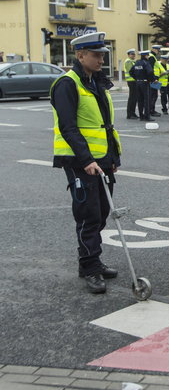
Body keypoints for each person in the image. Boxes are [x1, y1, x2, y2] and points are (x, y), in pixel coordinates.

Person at [49, 32, 122, 294]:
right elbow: (68, 127)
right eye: (96, 54)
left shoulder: (96, 82)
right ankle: (90, 267)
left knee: (102, 213)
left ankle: (93, 260)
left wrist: (112, 159)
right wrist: (87, 160)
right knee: (88, 215)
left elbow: (105, 125)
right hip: (82, 162)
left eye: (103, 54)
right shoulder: (67, 84)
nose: (102, 58)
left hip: (102, 160)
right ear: (80, 56)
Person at [131, 50, 155, 120]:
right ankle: (147, 116)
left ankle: (141, 116)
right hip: (145, 83)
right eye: (148, 55)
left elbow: (131, 72)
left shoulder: (137, 62)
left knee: (140, 100)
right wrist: (151, 79)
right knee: (146, 100)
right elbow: (150, 72)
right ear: (145, 56)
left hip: (138, 83)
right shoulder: (146, 63)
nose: (148, 57)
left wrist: (136, 78)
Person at [148, 45, 163, 117]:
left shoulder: (152, 56)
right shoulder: (152, 57)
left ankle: (151, 110)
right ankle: (151, 110)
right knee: (153, 95)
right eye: (157, 50)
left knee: (153, 95)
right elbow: (150, 69)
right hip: (153, 79)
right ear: (153, 49)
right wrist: (154, 79)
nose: (158, 52)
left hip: (154, 78)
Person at [124, 49, 139, 119]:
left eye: (134, 54)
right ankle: (130, 114)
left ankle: (132, 112)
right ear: (129, 55)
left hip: (134, 81)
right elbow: (131, 71)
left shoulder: (133, 61)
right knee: (132, 98)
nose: (133, 55)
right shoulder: (128, 61)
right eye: (132, 54)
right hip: (131, 81)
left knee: (134, 98)